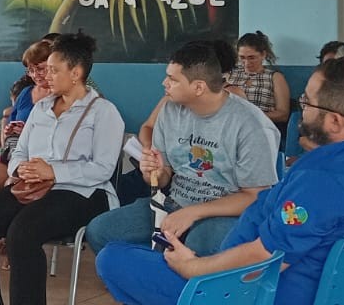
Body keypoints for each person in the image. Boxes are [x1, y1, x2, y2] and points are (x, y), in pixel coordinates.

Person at [96, 57, 344, 305]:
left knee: (116, 259)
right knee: (153, 299)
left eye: (307, 103)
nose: (300, 110)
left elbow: (265, 257)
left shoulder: (325, 180)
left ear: (334, 122)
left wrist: (194, 268)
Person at [0, 32, 123, 305]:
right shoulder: (41, 108)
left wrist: (54, 171)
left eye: (53, 69)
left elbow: (103, 169)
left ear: (76, 73)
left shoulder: (103, 113)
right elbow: (18, 150)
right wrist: (20, 169)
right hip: (32, 187)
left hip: (82, 193)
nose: (45, 76)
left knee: (23, 232)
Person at [84, 39, 278, 258]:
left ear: (198, 87)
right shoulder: (170, 110)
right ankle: (153, 282)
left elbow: (255, 196)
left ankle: (175, 283)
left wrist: (194, 213)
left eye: (173, 79)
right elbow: (164, 176)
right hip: (174, 204)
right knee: (100, 231)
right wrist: (154, 173)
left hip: (225, 213)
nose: (164, 84)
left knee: (199, 242)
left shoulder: (251, 125)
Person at [0, 37, 55, 209]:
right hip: (14, 151)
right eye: (30, 70)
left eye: (40, 69)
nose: (35, 75)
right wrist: (8, 132)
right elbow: (10, 121)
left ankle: (10, 232)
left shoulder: (62, 96)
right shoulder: (26, 93)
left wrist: (29, 132)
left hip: (42, 158)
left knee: (12, 186)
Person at [225, 30, 291, 127]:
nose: (247, 63)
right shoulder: (230, 74)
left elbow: (283, 114)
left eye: (252, 58)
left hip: (261, 127)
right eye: (242, 57)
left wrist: (251, 116)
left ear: (263, 54)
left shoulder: (275, 77)